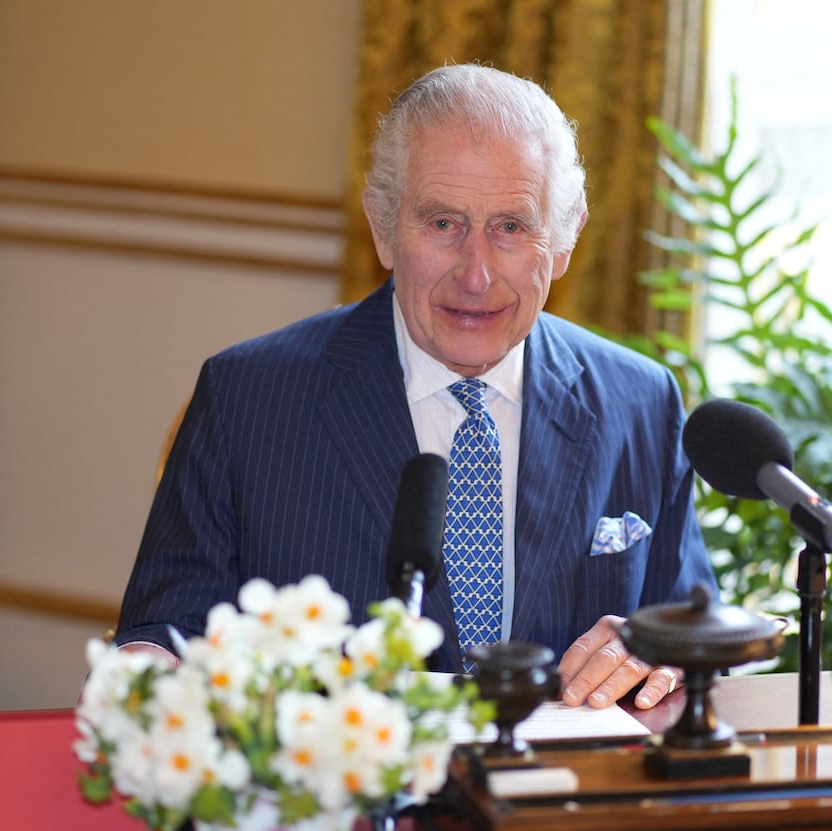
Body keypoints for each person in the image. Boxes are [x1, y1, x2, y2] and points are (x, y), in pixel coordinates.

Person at [114, 63, 714, 711]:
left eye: (511, 227)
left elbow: (689, 622)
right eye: (443, 224)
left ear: (564, 240)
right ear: (382, 226)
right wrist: (148, 669)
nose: (476, 275)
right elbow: (164, 633)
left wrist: (655, 648)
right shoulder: (247, 399)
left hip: (559, 800)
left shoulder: (641, 402)